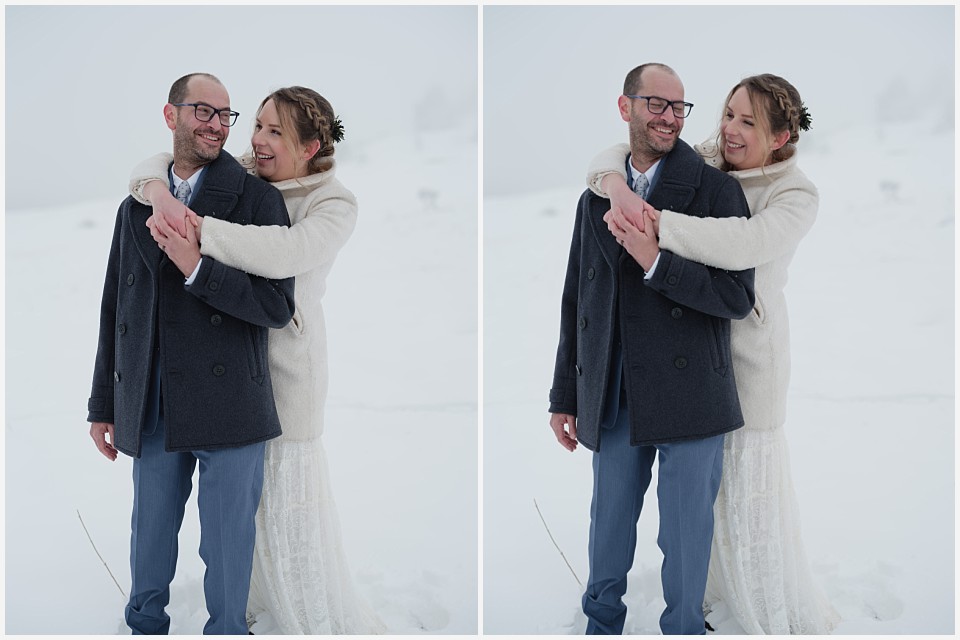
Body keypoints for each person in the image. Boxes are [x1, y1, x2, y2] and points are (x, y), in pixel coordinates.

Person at [586, 73, 840, 634]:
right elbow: (626, 151)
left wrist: (653, 224)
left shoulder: (794, 194)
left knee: (741, 503)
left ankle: (756, 603)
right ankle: (697, 599)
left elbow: (742, 243)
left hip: (746, 360)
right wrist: (617, 186)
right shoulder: (710, 160)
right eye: (728, 114)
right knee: (694, 505)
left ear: (780, 135)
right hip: (684, 354)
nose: (729, 130)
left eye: (748, 122)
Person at [129, 86, 385, 634]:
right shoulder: (244, 174)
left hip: (284, 369)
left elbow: (283, 254)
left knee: (283, 508)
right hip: (219, 373)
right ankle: (242, 603)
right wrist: (158, 191)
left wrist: (196, 232)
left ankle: (297, 606)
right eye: (259, 126)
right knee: (236, 514)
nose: (259, 141)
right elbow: (165, 161)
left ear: (311, 146)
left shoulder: (333, 203)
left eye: (276, 132)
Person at [548, 62, 756, 636]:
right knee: (608, 524)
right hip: (614, 388)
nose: (669, 117)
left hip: (694, 393)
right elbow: (576, 302)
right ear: (626, 108)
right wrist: (565, 392)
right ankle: (600, 624)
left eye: (678, 107)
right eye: (656, 104)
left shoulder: (716, 191)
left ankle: (685, 628)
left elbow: (736, 297)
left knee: (685, 536)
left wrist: (657, 264)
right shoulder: (595, 198)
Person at [87, 72, 295, 635]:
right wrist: (103, 404)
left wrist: (199, 270)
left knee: (228, 554)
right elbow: (117, 311)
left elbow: (277, 306)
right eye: (203, 111)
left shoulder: (257, 199)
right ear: (171, 115)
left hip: (231, 405)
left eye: (225, 116)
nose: (216, 125)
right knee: (148, 539)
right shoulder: (135, 207)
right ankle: (143, 626)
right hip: (152, 403)